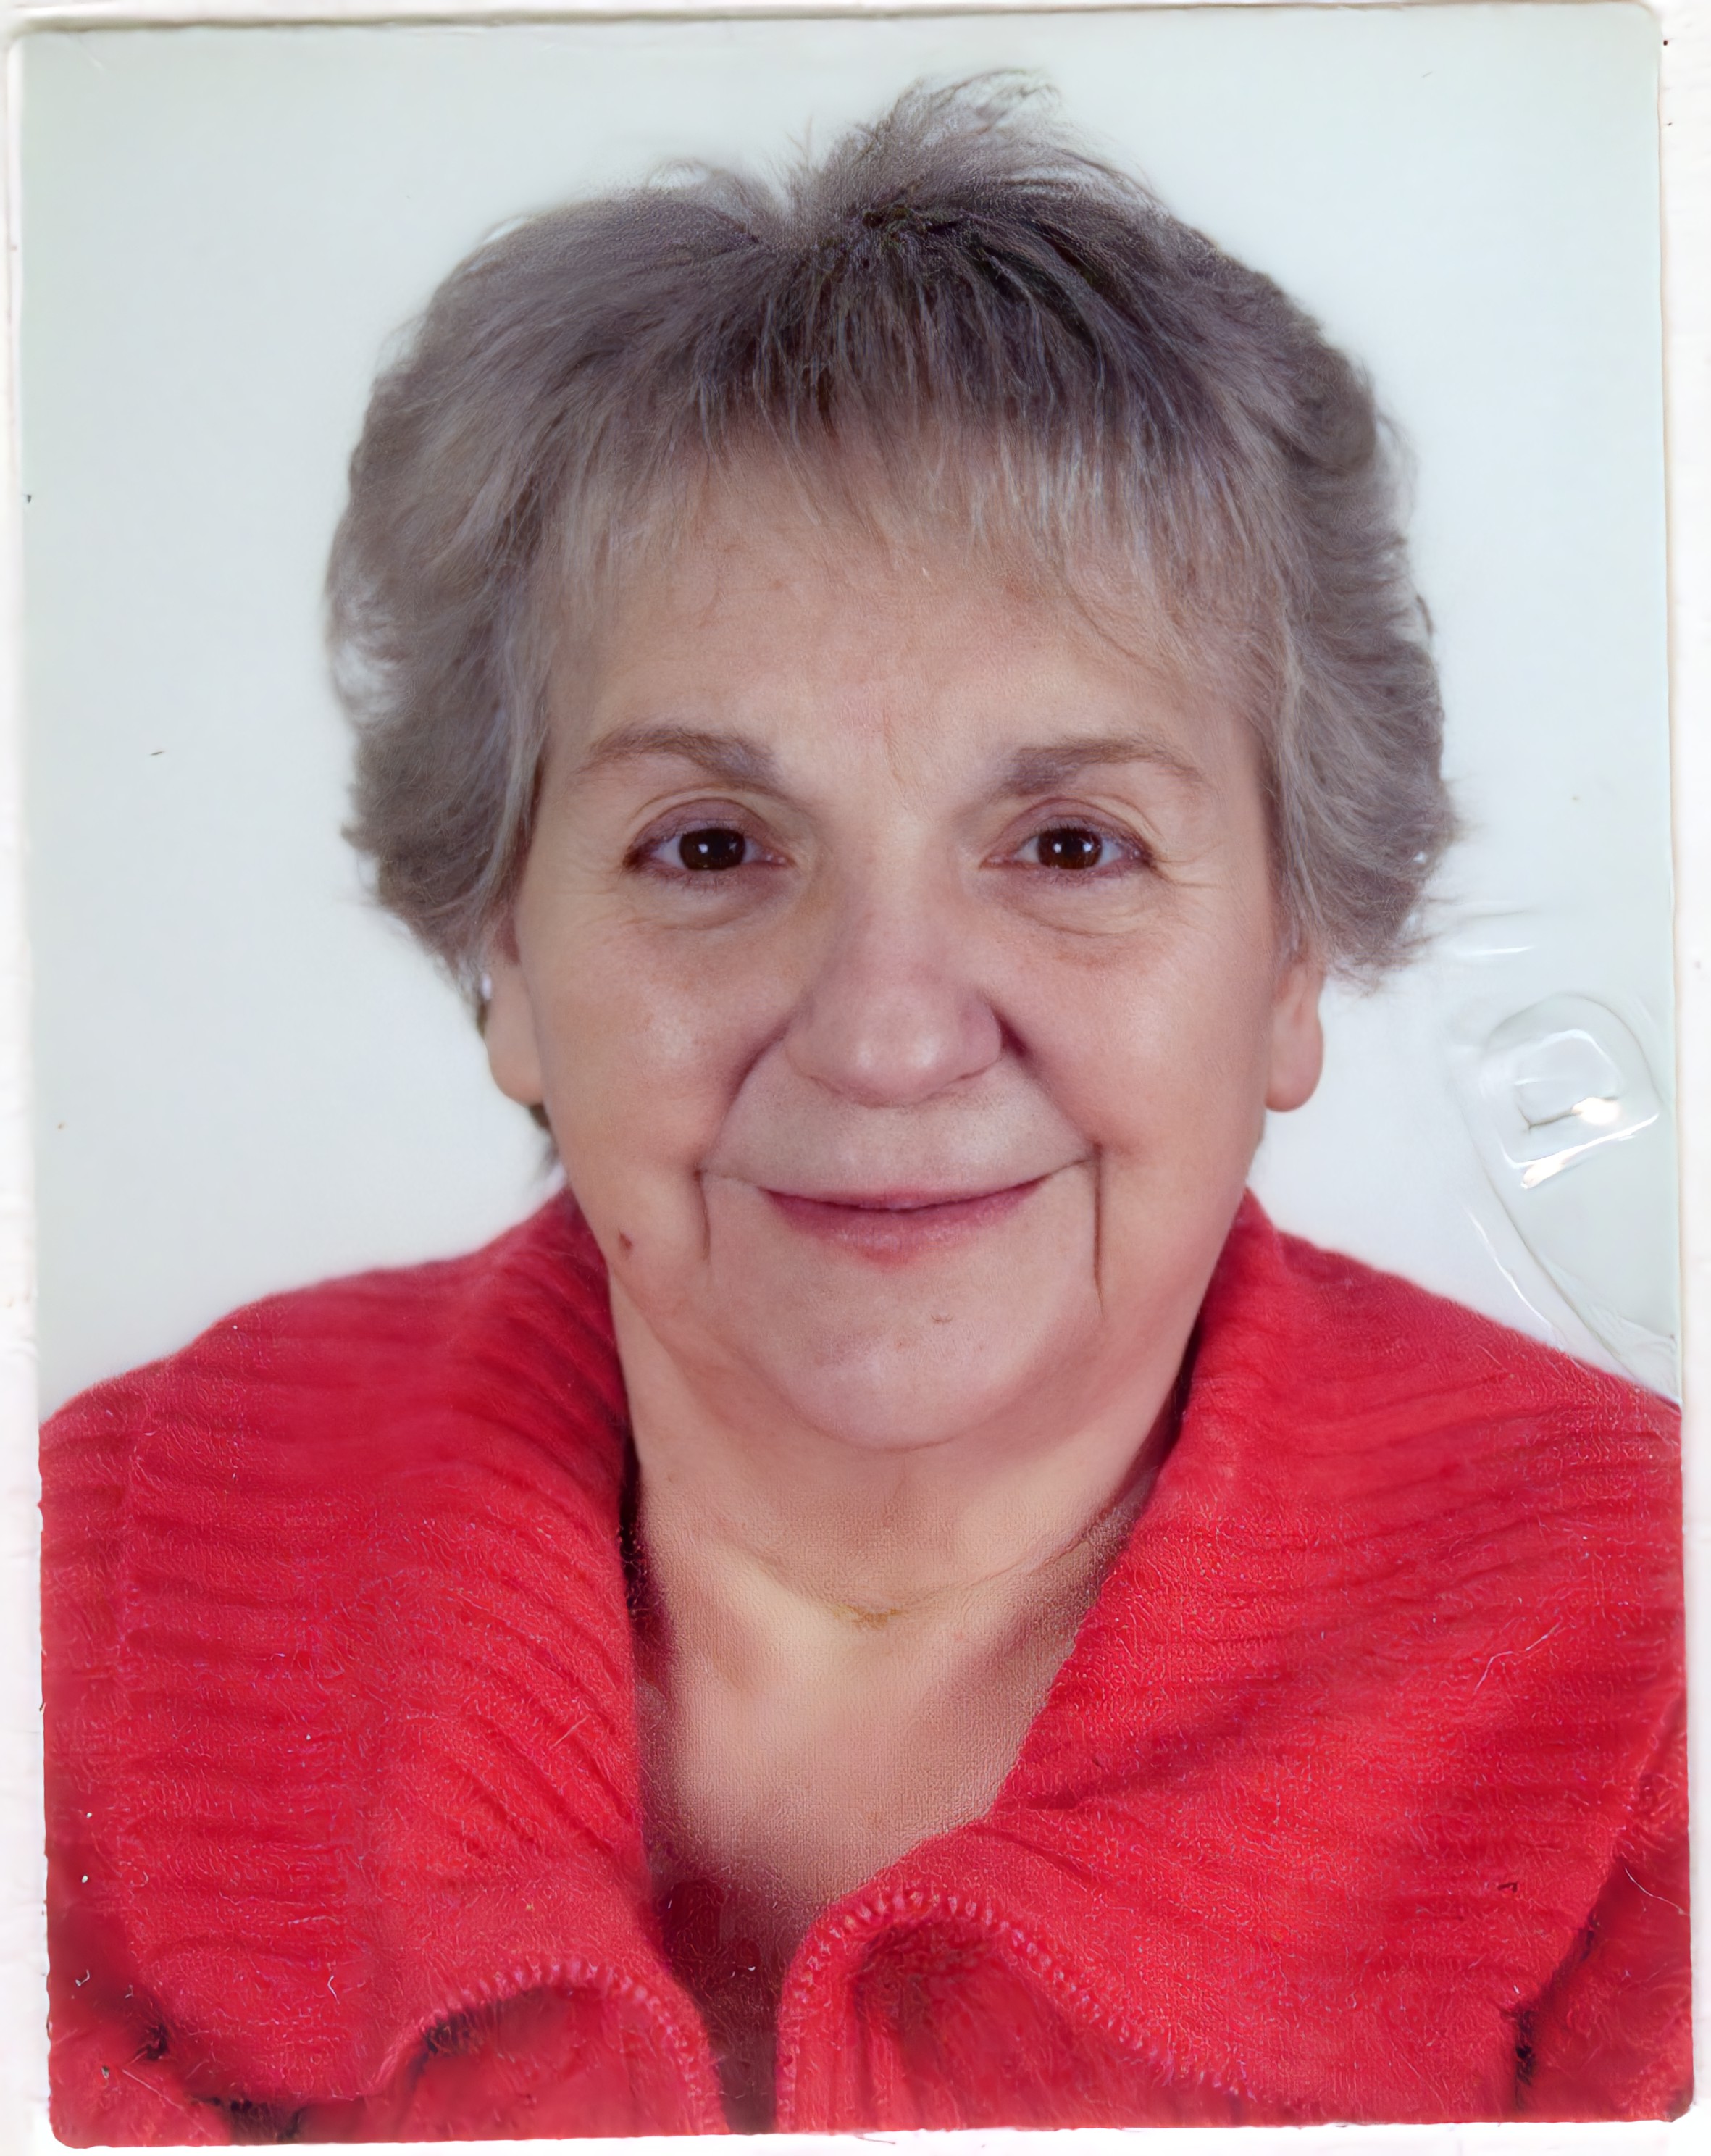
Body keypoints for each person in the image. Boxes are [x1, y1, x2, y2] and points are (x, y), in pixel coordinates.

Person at [41, 80, 1686, 2143]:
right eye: (711, 847)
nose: (890, 1040)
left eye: (1071, 846)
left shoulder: (1657, 1672)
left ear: (1291, 961)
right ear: (503, 960)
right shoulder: (94, 1591)